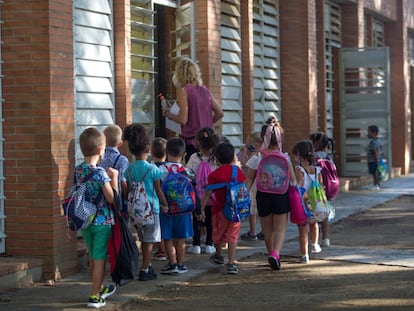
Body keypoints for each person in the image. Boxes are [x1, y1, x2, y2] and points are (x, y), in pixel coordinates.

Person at [77, 127, 118, 308]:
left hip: (85, 220)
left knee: (93, 255)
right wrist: (114, 179)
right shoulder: (100, 173)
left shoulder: (78, 171)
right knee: (100, 257)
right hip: (102, 221)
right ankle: (95, 296)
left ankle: (98, 288)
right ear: (101, 150)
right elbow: (111, 198)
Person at [123, 124, 169, 281]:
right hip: (151, 210)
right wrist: (165, 204)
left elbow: (128, 191)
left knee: (143, 239)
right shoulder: (153, 169)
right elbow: (158, 190)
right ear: (148, 148)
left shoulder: (128, 170)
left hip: (136, 212)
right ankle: (145, 268)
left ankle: (145, 265)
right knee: (149, 241)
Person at [245, 122, 291, 270]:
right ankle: (275, 254)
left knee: (267, 229)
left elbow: (249, 178)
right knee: (280, 228)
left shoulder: (257, 158)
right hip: (280, 195)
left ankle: (270, 252)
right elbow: (293, 180)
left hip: (263, 195)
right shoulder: (284, 157)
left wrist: (243, 195)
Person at [162, 57, 224, 162]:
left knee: (193, 172)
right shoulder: (204, 89)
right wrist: (206, 124)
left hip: (192, 141)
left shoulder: (183, 90)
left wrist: (168, 114)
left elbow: (183, 119)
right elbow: (220, 113)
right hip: (208, 139)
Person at [200, 142, 246, 274]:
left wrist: (202, 208)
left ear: (216, 158)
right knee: (232, 236)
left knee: (218, 234)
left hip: (220, 209)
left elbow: (208, 193)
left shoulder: (214, 175)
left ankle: (219, 254)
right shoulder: (237, 171)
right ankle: (231, 263)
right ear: (233, 157)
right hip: (236, 209)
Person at [159, 137, 194, 274]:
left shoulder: (161, 170)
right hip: (184, 210)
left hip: (166, 209)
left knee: (168, 237)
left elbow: (158, 187)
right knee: (180, 238)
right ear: (184, 154)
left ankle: (172, 263)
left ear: (166, 153)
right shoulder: (186, 171)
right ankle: (181, 263)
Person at [186, 127, 219, 255]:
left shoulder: (194, 157)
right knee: (211, 220)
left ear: (198, 142)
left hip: (197, 196)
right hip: (212, 195)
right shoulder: (216, 158)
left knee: (197, 219)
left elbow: (188, 173)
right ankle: (210, 244)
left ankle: (196, 244)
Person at [292, 140, 324, 264]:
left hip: (303, 203)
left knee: (302, 229)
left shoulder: (299, 170)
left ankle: (304, 255)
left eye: (295, 155)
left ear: (299, 155)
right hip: (315, 202)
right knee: (314, 224)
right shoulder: (317, 170)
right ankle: (315, 244)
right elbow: (321, 186)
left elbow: (298, 187)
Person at [309, 132, 335, 247]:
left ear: (316, 144)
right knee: (324, 214)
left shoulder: (314, 157)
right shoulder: (328, 156)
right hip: (327, 189)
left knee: (313, 214)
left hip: (315, 189)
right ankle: (326, 238)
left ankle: (313, 240)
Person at [238, 132, 264, 241]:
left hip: (253, 185)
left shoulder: (255, 156)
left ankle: (253, 231)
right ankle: (263, 231)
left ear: (257, 144)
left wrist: (244, 152)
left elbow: (245, 164)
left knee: (252, 210)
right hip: (260, 185)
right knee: (260, 210)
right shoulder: (261, 155)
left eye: (251, 143)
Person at [99, 124, 129, 219]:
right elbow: (123, 182)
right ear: (120, 143)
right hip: (117, 202)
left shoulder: (99, 159)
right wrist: (128, 196)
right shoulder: (122, 160)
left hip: (101, 202)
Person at [150, 137, 168, 261]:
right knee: (166, 226)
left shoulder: (150, 167)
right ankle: (168, 249)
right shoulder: (169, 168)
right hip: (168, 200)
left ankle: (161, 250)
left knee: (158, 226)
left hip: (154, 202)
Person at [366, 125, 383, 191]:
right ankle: (377, 185)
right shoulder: (378, 141)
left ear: (374, 133)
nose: (368, 133)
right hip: (376, 160)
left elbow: (374, 151)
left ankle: (375, 185)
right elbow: (381, 148)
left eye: (369, 132)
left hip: (373, 161)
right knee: (376, 173)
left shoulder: (373, 142)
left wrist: (376, 159)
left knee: (374, 174)